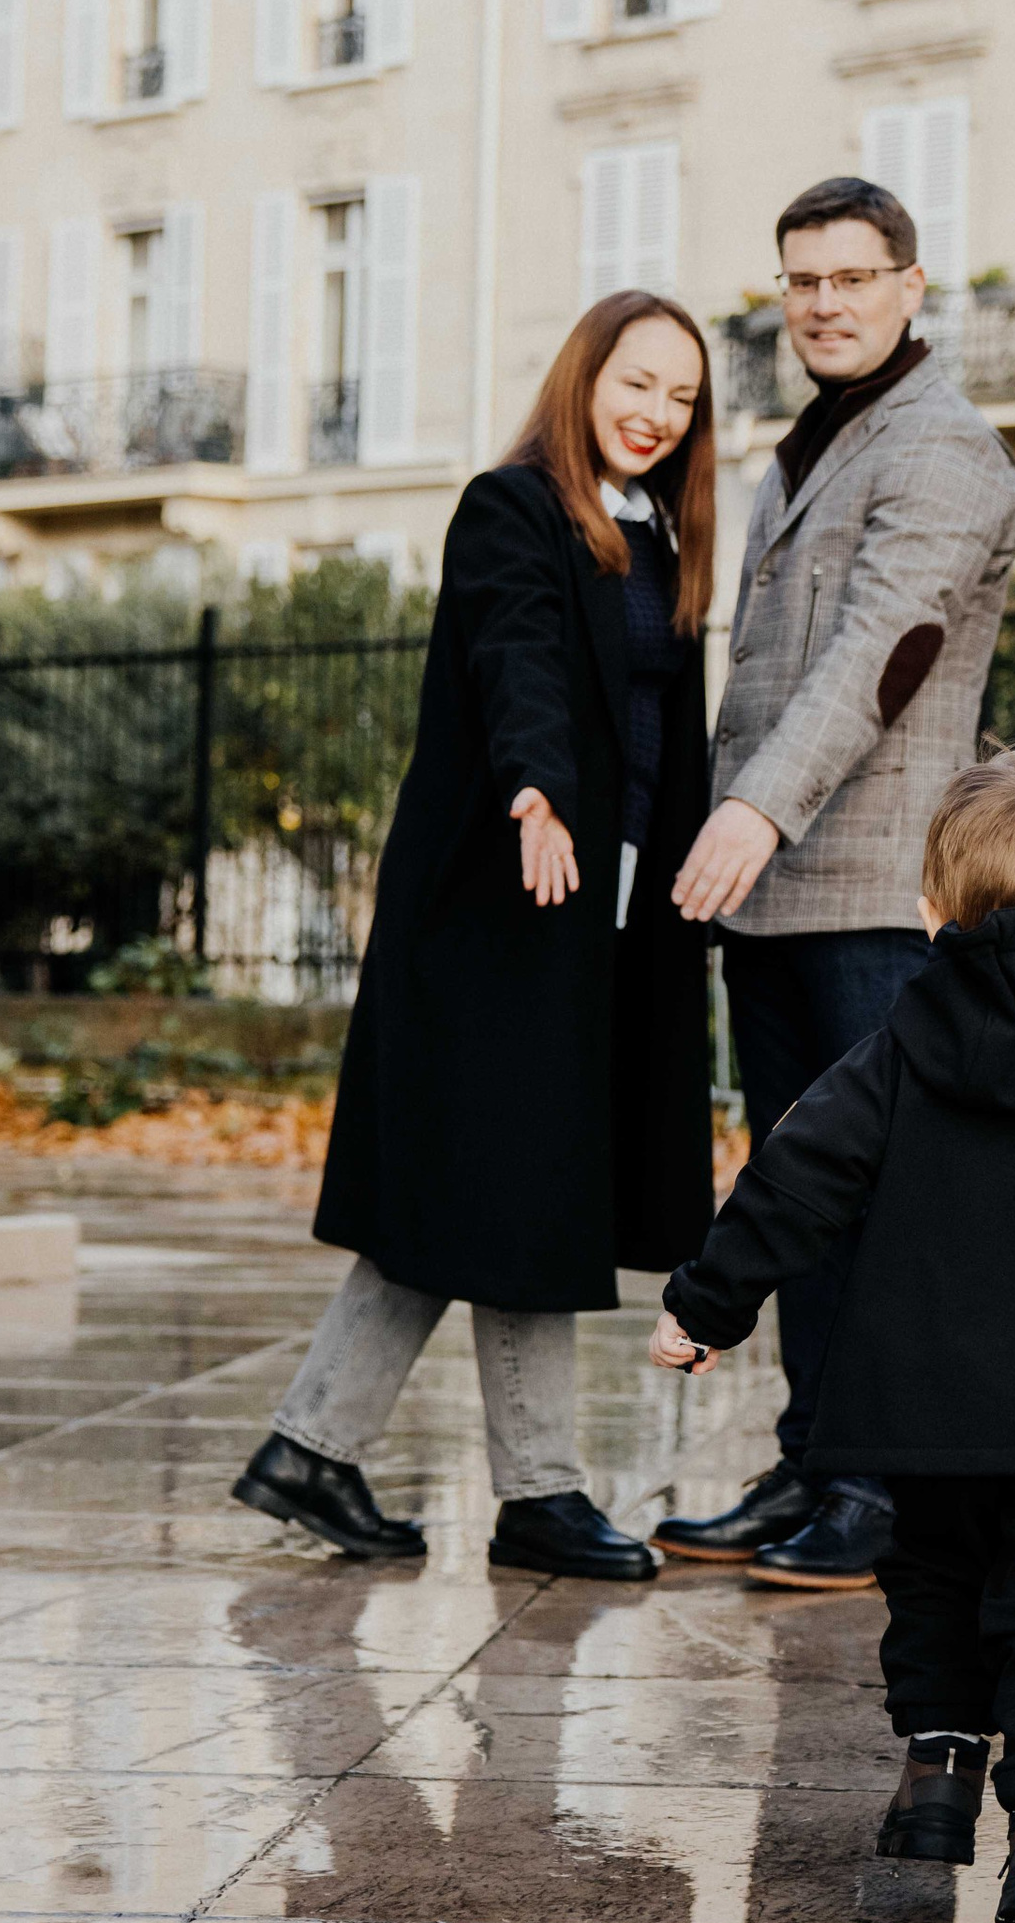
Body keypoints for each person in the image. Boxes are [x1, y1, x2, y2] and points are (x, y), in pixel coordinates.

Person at [649, 750, 1015, 1923]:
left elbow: (793, 1178)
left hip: (917, 1406)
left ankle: (934, 1784)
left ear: (927, 913)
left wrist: (705, 1304)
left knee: (933, 1590)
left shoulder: (890, 1060)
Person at [233, 292, 720, 1582]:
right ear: (583, 376)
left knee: (494, 1185)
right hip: (504, 898)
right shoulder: (511, 505)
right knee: (514, 1183)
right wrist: (536, 787)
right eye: (637, 382)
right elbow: (517, 657)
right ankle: (533, 1493)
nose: (656, 413)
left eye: (681, 396)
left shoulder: (658, 534)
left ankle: (316, 1449)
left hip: (594, 911)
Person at [656, 176, 1015, 1591]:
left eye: (852, 278)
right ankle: (816, 1456)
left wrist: (752, 805)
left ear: (911, 286)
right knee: (797, 1184)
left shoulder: (943, 450)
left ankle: (884, 1486)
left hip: (874, 889)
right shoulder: (807, 447)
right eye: (802, 281)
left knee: (879, 1196)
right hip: (775, 894)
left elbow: (884, 649)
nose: (824, 303)